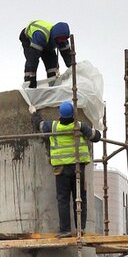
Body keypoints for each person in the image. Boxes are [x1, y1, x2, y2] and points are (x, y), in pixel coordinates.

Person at [31, 101, 102, 237]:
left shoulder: (53, 126)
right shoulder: (79, 126)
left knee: (63, 199)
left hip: (61, 169)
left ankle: (65, 230)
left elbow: (38, 125)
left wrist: (34, 112)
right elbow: (96, 137)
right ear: (73, 114)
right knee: (80, 198)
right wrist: (89, 130)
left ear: (60, 115)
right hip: (78, 168)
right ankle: (80, 229)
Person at [20, 20, 73, 89]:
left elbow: (68, 58)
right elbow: (33, 59)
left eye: (64, 39)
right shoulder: (40, 35)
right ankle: (29, 87)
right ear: (55, 36)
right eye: (60, 39)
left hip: (47, 43)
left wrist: (74, 69)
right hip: (28, 39)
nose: (62, 41)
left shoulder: (62, 40)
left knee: (52, 64)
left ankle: (53, 88)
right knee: (31, 63)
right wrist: (32, 77)